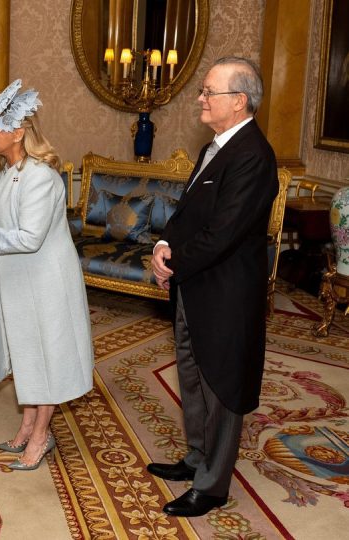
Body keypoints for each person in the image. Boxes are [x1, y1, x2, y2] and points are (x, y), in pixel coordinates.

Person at [147, 57, 279, 517]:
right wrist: (164, 244)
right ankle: (197, 458)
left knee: (220, 385)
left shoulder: (253, 155)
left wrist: (173, 264)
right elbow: (188, 212)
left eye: (209, 91)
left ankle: (212, 485)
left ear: (238, 100)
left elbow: (224, 232)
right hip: (194, 285)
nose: (200, 98)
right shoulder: (216, 146)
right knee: (192, 375)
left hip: (225, 294)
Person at [0, 79, 94, 470]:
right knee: (28, 350)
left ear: (18, 133)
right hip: (17, 278)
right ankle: (28, 425)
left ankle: (41, 435)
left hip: (45, 280)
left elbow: (29, 237)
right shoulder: (6, 170)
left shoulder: (40, 176)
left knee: (46, 354)